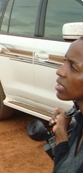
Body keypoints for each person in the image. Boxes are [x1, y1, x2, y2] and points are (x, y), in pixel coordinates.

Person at [50, 36, 83, 173]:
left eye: (73, 67)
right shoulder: (79, 120)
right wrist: (62, 138)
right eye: (65, 61)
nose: (60, 71)